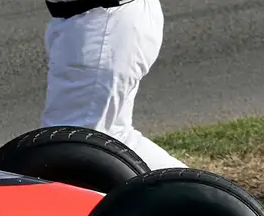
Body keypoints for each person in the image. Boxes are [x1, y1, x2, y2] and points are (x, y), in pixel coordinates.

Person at [40, 0, 187, 170]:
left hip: (103, 22)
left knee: (72, 144)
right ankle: (202, 193)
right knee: (101, 140)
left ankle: (201, 194)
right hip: (90, 20)